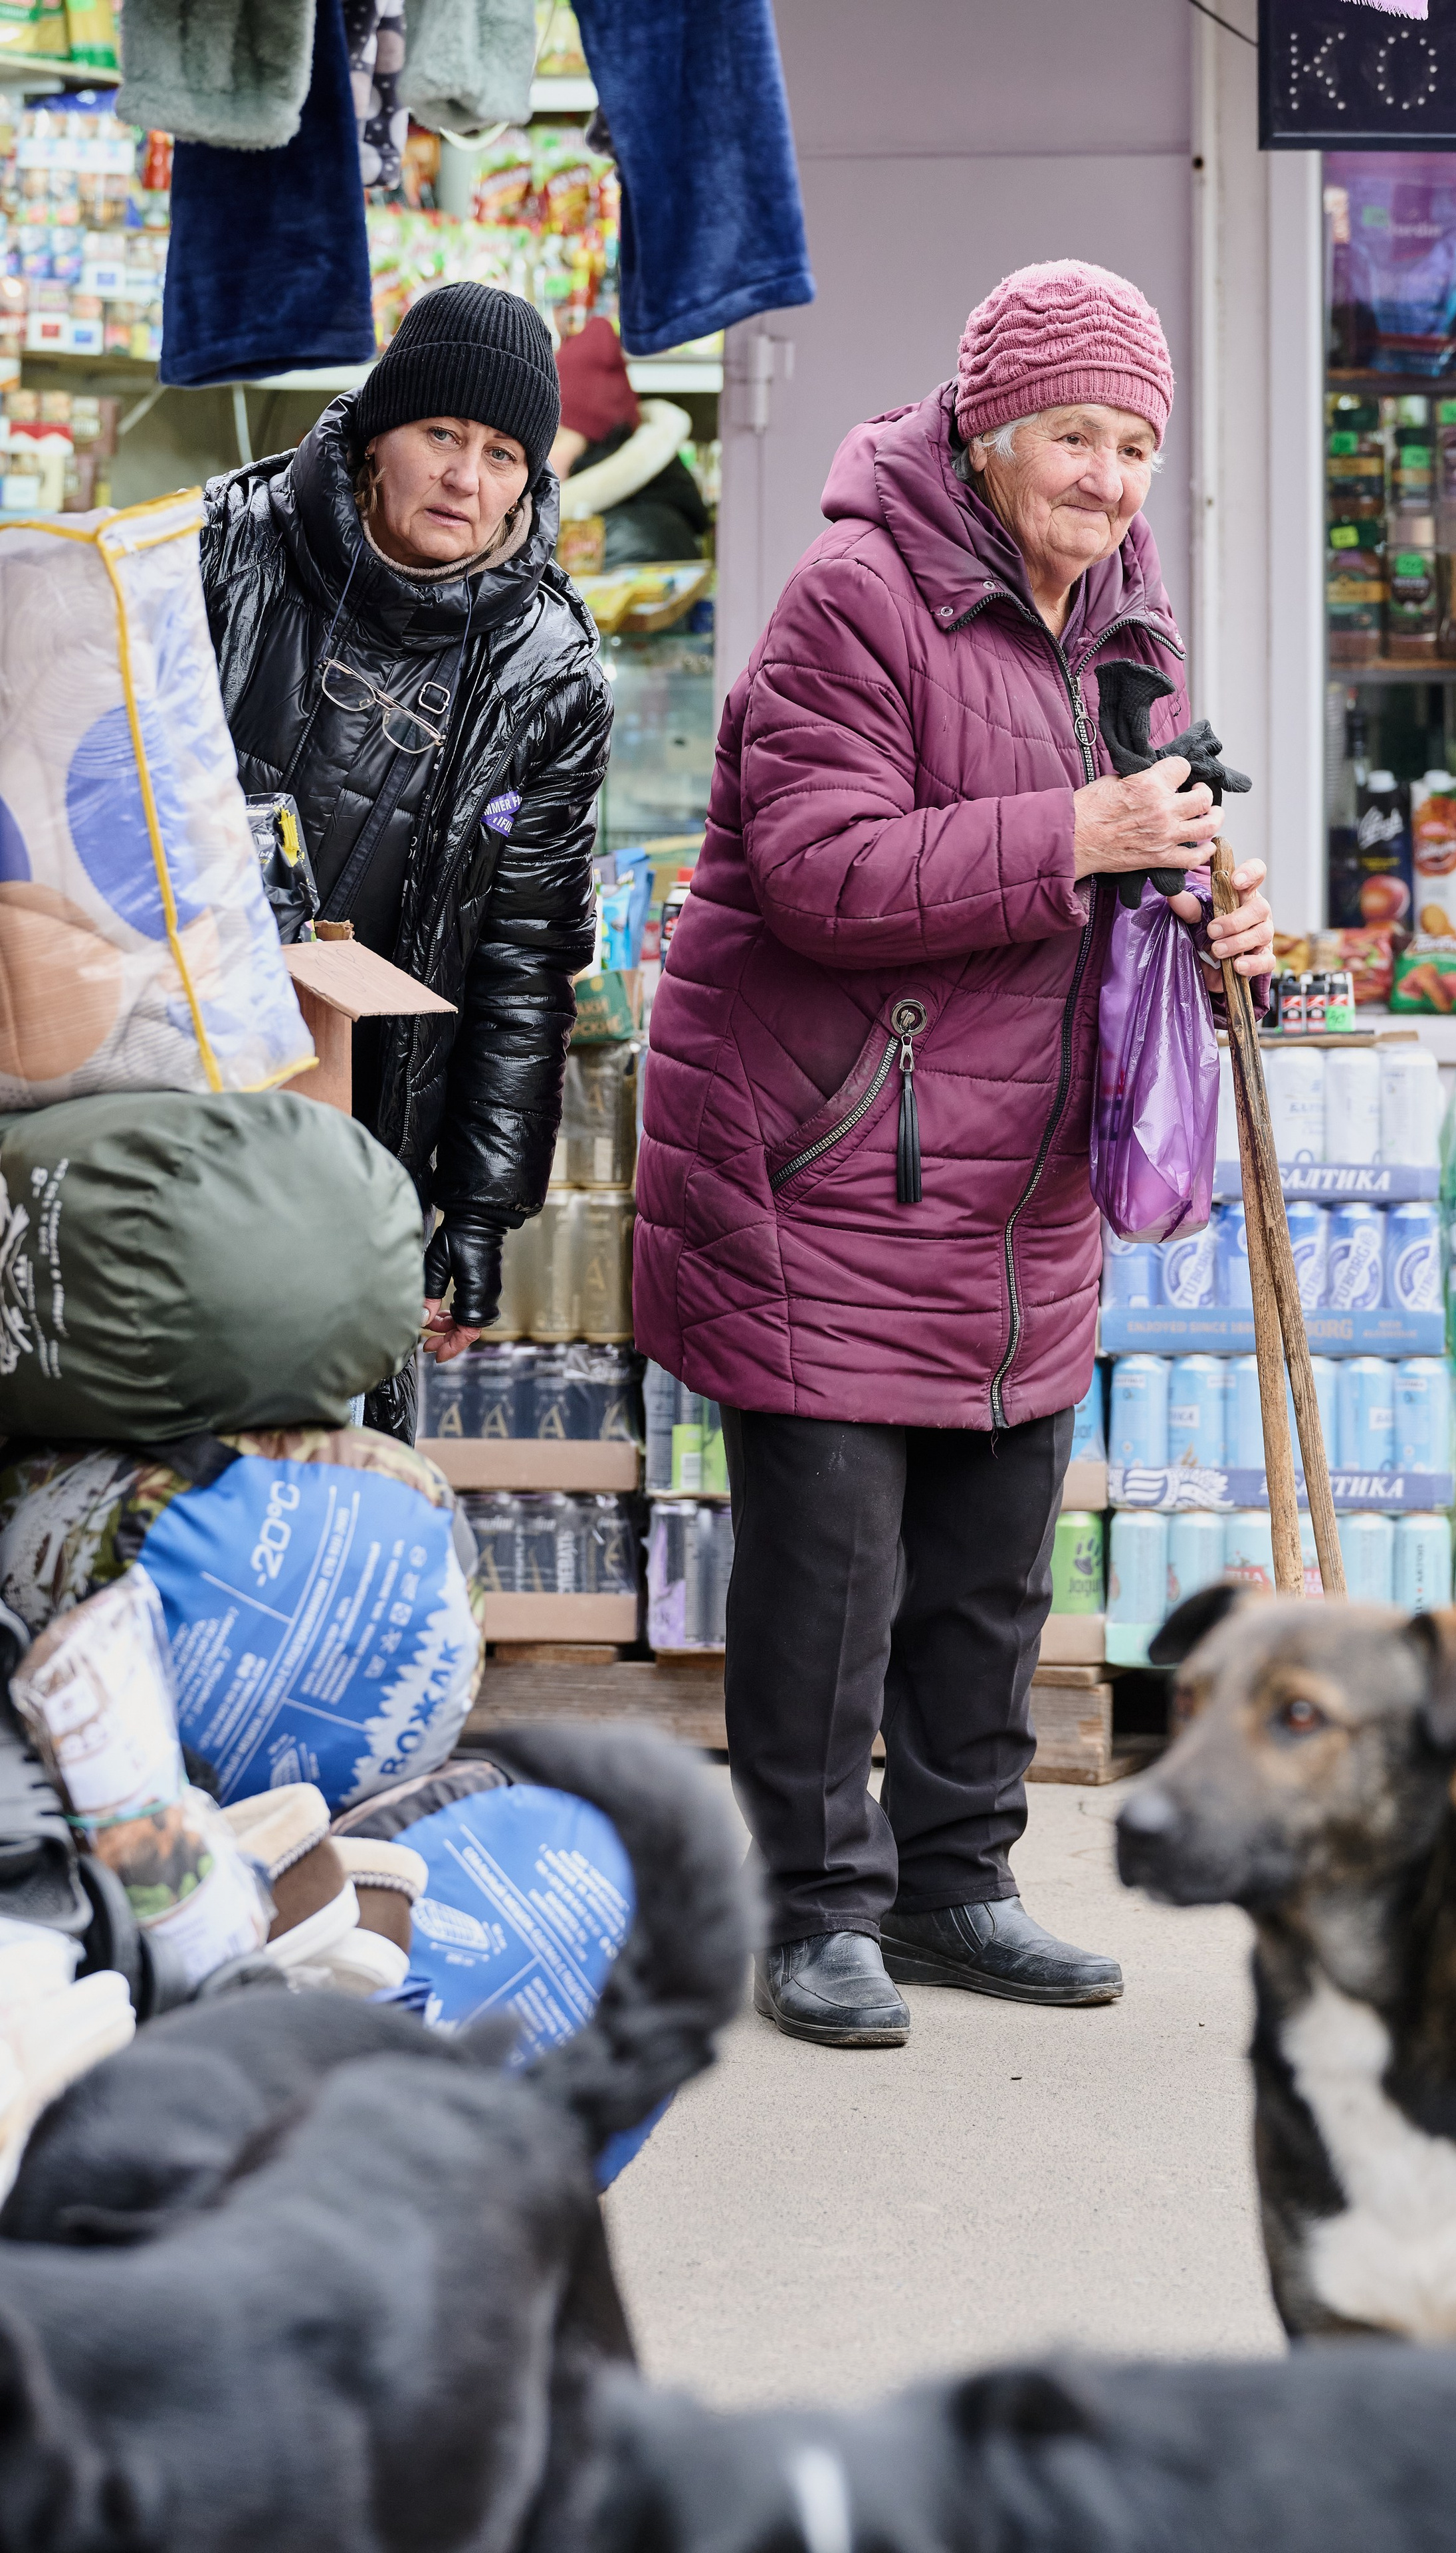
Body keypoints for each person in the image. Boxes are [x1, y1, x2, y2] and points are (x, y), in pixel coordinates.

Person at [635, 259, 1275, 2050]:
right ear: (992, 439)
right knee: (831, 1574)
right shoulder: (856, 594)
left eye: (1138, 441)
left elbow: (1131, 866)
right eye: (1077, 433)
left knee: (994, 1565)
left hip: (1017, 1180)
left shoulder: (1130, 628)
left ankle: (958, 1882)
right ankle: (816, 1906)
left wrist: (1216, 917)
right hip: (831, 1159)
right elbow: (825, 870)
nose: (1111, 473)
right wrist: (1082, 828)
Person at [201, 282, 612, 1437]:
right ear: (379, 435)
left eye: (500, 454)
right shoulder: (220, 551)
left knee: (325, 1464)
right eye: (440, 434)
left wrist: (478, 1212)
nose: (465, 478)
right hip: (167, 1096)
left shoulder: (551, 672)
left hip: (371, 1139)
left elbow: (526, 964)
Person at [551, 315, 710, 566]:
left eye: (556, 438)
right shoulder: (629, 518)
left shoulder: (631, 537)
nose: (541, 453)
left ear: (597, 444)